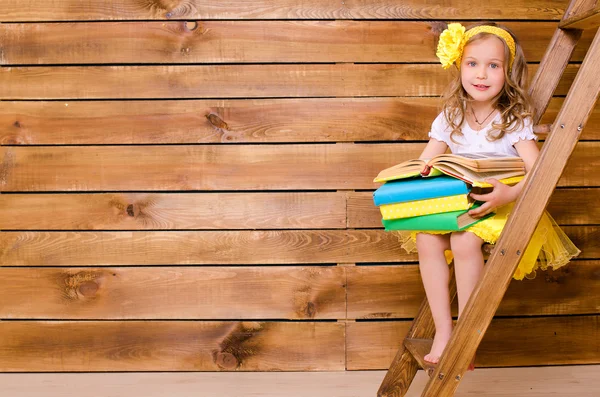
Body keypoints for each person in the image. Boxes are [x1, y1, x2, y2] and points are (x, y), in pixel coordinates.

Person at [395, 22, 581, 369]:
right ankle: (444, 330)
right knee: (426, 239)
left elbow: (540, 172)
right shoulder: (450, 115)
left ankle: (468, 333)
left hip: (500, 202)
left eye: (493, 65)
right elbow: (425, 160)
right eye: (472, 63)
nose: (481, 74)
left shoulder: (513, 118)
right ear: (459, 67)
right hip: (461, 201)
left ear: (507, 72)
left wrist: (507, 194)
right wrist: (413, 177)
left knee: (465, 242)